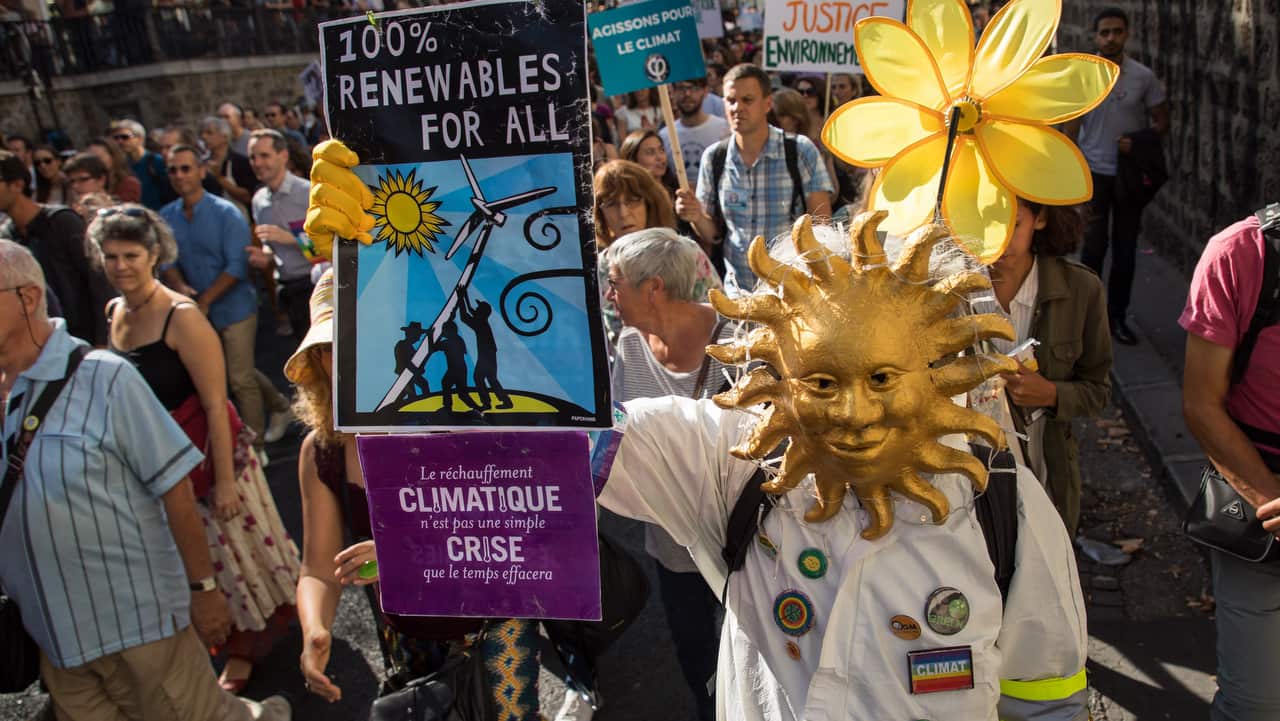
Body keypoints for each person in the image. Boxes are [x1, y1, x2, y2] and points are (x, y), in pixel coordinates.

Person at [593, 215, 1089, 720]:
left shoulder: (1006, 506)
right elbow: (566, 437)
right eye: (823, 384)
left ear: (935, 368)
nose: (855, 415)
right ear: (782, 376)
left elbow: (1049, 701)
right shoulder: (733, 463)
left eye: (881, 378)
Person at [0, 239, 292, 721]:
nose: (119, 267)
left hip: (138, 630)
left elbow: (175, 487)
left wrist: (204, 590)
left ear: (28, 298)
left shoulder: (103, 377)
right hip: (56, 643)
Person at [288, 271, 541, 716]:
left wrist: (403, 555)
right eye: (331, 350)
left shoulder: (456, 420)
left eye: (361, 342)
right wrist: (314, 630)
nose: (345, 361)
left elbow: (513, 531)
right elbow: (317, 567)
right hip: (407, 632)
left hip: (493, 618)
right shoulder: (322, 451)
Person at [90, 203, 302, 694]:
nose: (121, 265)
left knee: (227, 561)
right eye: (111, 255)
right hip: (155, 462)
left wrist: (225, 480)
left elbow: (215, 403)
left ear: (155, 254)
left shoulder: (181, 317)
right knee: (191, 561)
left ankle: (245, 649)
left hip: (207, 457)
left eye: (131, 255)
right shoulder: (114, 310)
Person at [603, 228, 736, 721]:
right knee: (697, 658)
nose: (609, 295)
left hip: (742, 543)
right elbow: (619, 436)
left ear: (654, 287)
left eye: (616, 283)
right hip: (672, 548)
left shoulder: (738, 343)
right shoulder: (630, 346)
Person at [1181, 209, 1280, 721]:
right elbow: (1201, 404)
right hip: (1260, 508)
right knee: (1256, 706)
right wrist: (1268, 499)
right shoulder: (1241, 254)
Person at [159, 144, 292, 459]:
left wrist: (203, 301)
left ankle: (255, 448)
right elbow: (166, 261)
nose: (179, 175)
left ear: (202, 171)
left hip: (235, 308)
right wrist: (180, 286)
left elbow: (236, 265)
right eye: (173, 170)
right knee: (237, 370)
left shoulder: (226, 213)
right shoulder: (167, 215)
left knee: (238, 377)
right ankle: (280, 405)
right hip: (196, 312)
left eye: (186, 168)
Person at [987, 199, 1112, 535]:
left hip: (1046, 474)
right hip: (970, 483)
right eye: (982, 221)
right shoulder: (947, 293)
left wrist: (1051, 394)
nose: (996, 239)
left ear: (1040, 219)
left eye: (1011, 225)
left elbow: (1099, 390)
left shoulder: (1081, 290)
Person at [677, 63, 833, 286]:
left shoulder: (800, 151)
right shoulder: (714, 158)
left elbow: (822, 227)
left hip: (790, 292)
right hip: (738, 295)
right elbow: (713, 234)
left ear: (767, 104)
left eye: (747, 100)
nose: (737, 107)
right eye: (731, 100)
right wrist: (695, 216)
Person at [1069, 6, 1169, 345]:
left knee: (1126, 249)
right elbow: (1070, 125)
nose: (1111, 38)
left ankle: (1117, 318)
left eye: (1117, 31)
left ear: (1127, 35)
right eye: (1105, 32)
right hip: (1094, 173)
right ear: (1095, 37)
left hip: (1127, 177)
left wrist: (1138, 143)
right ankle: (1087, 320)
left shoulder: (1143, 77)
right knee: (1093, 249)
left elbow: (1161, 122)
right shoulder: (1083, 76)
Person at [593, 160, 721, 344]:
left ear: (650, 203)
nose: (623, 213)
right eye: (611, 204)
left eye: (632, 201)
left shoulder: (687, 253)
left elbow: (718, 315)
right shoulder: (601, 267)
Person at [0, 150, 115, 345]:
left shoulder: (62, 222)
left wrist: (103, 339)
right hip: (50, 343)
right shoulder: (7, 238)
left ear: (17, 184)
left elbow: (98, 279)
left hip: (90, 337)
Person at [245, 128, 316, 348]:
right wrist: (265, 256)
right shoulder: (258, 201)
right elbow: (271, 247)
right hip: (288, 290)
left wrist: (291, 239)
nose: (257, 163)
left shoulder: (309, 193)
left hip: (315, 285)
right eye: (252, 157)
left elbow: (332, 246)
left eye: (264, 155)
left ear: (283, 155)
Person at [659, 78, 730, 185]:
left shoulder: (724, 129)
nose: (687, 94)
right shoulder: (665, 135)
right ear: (672, 92)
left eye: (694, 88)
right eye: (681, 88)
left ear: (705, 91)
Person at [110, 118, 177, 210]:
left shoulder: (156, 162)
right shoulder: (123, 167)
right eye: (116, 138)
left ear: (140, 139)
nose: (120, 142)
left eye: (125, 137)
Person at [201, 115, 258, 210]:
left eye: (209, 133)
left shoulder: (240, 162)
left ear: (224, 137)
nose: (204, 136)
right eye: (203, 133)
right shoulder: (202, 163)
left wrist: (219, 178)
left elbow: (248, 196)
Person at [619, 129, 679, 194]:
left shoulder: (677, 187)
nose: (659, 157)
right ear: (633, 160)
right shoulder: (630, 197)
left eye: (661, 150)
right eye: (650, 152)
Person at [86, 137, 143, 204]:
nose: (93, 162)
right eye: (90, 158)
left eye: (99, 157)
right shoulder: (84, 182)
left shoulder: (129, 183)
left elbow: (125, 208)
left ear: (113, 157)